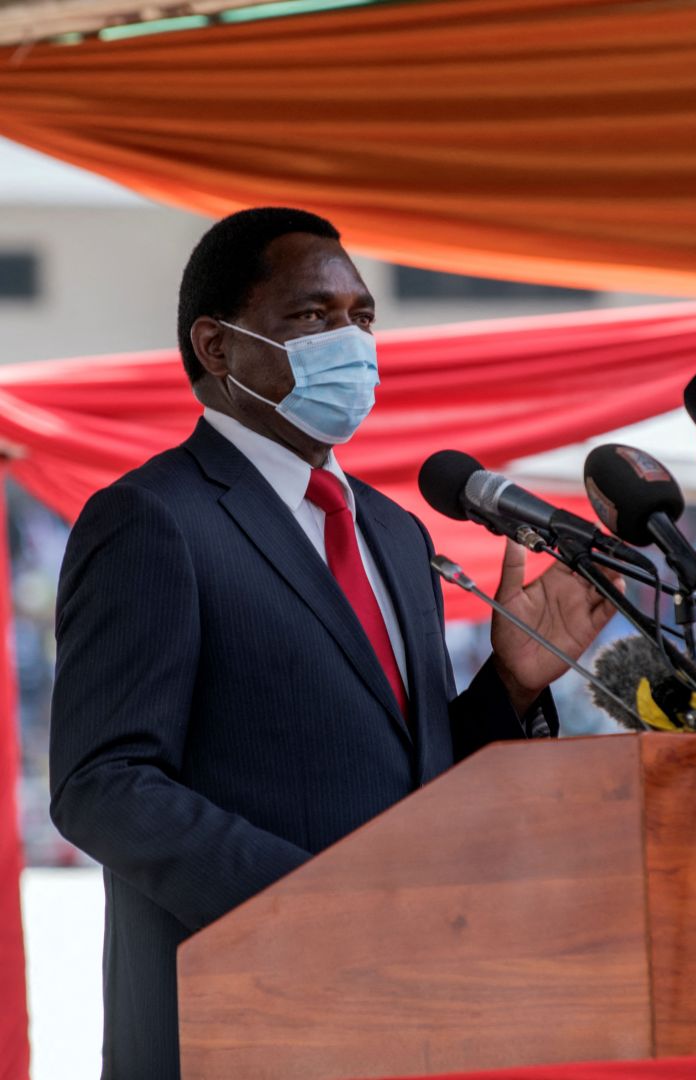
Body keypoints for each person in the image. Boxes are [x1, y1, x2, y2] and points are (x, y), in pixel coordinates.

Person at [49, 207, 617, 1080]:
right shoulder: (153, 519)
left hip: (405, 1016)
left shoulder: (393, 533)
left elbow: (409, 780)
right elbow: (103, 785)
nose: (349, 342)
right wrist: (315, 904)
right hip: (234, 1022)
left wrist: (510, 685)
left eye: (361, 318)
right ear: (217, 345)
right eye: (311, 317)